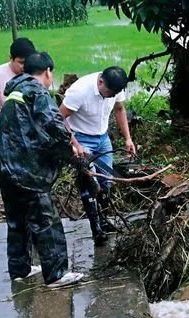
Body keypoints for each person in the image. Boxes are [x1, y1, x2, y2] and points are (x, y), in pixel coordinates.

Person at [0, 52, 83, 289]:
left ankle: (20, 269)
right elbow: (55, 126)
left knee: (17, 220)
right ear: (48, 71)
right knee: (46, 221)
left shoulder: (14, 92)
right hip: (26, 170)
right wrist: (71, 154)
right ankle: (57, 274)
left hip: (4, 167)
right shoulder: (37, 91)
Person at [59, 66, 135, 243]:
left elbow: (119, 109)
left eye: (114, 93)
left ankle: (104, 219)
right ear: (100, 82)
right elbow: (59, 117)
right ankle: (96, 230)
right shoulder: (80, 90)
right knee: (89, 183)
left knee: (105, 181)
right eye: (109, 92)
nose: (111, 96)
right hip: (81, 138)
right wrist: (75, 144)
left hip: (103, 137)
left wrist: (128, 139)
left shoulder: (114, 88)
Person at [0, 37, 37, 132]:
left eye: (28, 62)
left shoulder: (35, 73)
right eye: (21, 62)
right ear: (11, 58)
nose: (25, 66)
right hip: (8, 131)